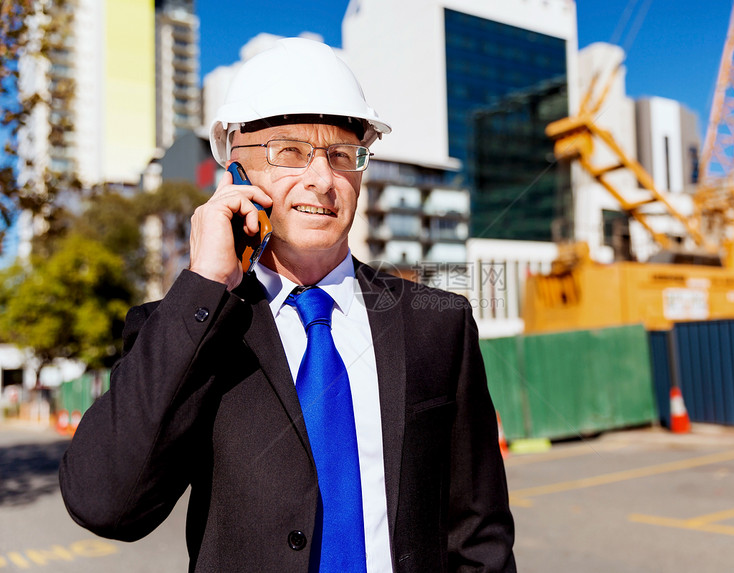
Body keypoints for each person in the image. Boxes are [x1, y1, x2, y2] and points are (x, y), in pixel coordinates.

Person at [59, 37, 515, 573]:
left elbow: (478, 535)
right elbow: (106, 503)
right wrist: (206, 282)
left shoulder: (438, 324)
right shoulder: (188, 327)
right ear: (236, 169)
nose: (322, 180)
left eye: (342, 155)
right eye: (290, 152)